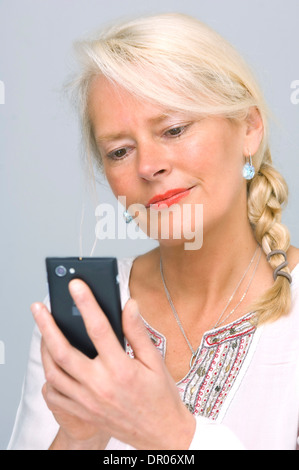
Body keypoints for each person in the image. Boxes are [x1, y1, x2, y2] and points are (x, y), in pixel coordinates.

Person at [8, 13, 299, 450]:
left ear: (249, 128)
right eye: (120, 151)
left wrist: (174, 436)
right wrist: (80, 435)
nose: (148, 166)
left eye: (174, 129)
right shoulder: (84, 316)